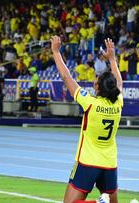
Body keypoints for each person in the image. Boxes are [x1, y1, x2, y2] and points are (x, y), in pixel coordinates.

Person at [51, 36, 122, 203]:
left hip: (88, 162)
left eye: (96, 80)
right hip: (110, 163)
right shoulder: (118, 102)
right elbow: (119, 82)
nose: (94, 80)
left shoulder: (90, 102)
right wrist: (112, 59)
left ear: (97, 87)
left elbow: (66, 77)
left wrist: (55, 51)